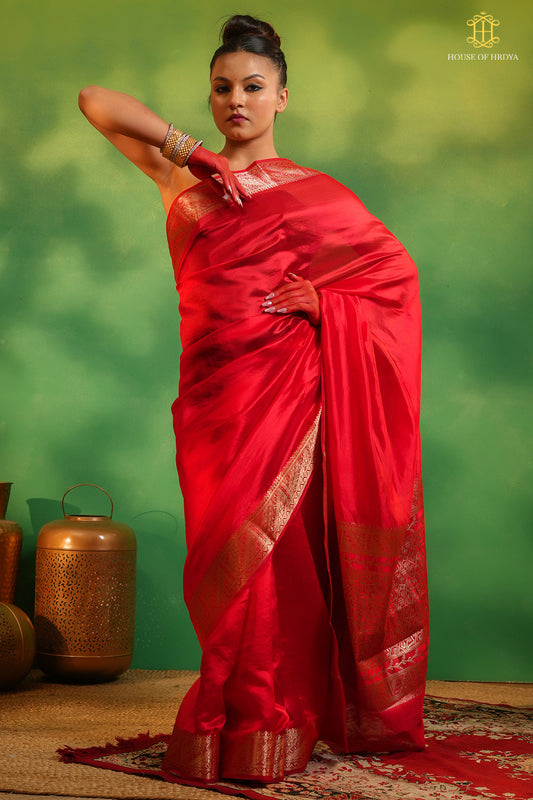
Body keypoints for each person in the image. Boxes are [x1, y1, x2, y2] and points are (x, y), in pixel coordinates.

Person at [79, 13, 429, 786]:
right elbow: (94, 98)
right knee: (223, 557)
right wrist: (200, 157)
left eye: (253, 87)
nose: (236, 99)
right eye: (223, 87)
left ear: (282, 99)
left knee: (277, 566)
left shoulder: (319, 194)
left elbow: (392, 282)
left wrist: (325, 305)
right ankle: (237, 721)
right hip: (211, 401)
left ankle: (269, 723)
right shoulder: (182, 176)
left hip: (285, 393)